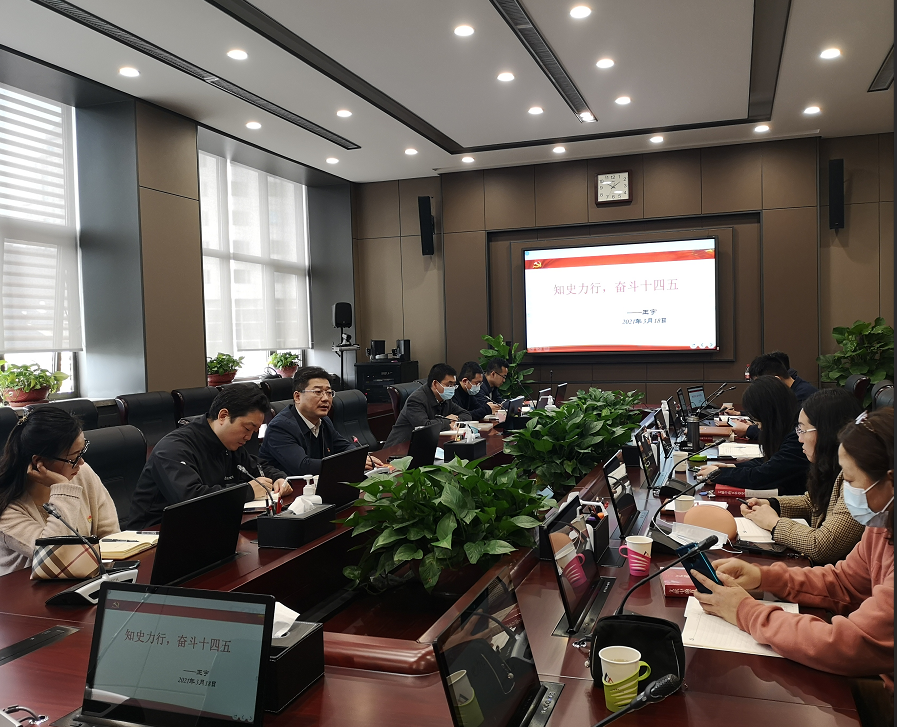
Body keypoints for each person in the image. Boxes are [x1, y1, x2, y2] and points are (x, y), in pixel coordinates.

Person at [693, 408, 894, 715]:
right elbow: (844, 582)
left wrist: (745, 611)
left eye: (852, 481)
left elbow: (850, 644)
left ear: (890, 483)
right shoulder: (882, 524)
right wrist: (764, 578)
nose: (846, 492)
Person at [128, 384, 291, 529]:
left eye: (254, 432)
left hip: (205, 525)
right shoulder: (173, 448)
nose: (249, 437)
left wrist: (279, 478)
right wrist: (247, 491)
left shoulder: (230, 443)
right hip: (155, 535)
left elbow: (258, 467)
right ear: (223, 416)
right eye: (247, 428)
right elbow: (190, 499)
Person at [739, 388, 864, 564]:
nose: (799, 439)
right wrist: (771, 504)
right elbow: (812, 502)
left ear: (827, 432)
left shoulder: (857, 477)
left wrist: (774, 523)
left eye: (803, 430)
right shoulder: (830, 466)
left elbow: (822, 546)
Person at [0, 407, 119, 576]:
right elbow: (55, 555)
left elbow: (111, 535)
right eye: (73, 458)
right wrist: (63, 489)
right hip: (28, 589)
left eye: (82, 452)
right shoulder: (7, 508)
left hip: (85, 578)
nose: (81, 463)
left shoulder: (81, 473)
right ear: (39, 462)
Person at [259, 366, 384, 475]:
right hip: (286, 490)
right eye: (318, 392)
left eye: (329, 393)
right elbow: (303, 466)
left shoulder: (324, 421)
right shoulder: (280, 427)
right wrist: (349, 463)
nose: (325, 398)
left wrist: (358, 458)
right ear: (297, 397)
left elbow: (343, 446)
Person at [698, 376, 809, 495]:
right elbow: (769, 462)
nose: (758, 426)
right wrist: (731, 467)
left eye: (757, 419)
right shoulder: (788, 426)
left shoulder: (798, 436)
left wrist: (719, 475)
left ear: (768, 412)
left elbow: (763, 476)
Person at [725, 352, 817, 439]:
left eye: (761, 385)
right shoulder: (787, 392)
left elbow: (785, 433)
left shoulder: (804, 397)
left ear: (776, 380)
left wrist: (748, 430)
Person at [383, 363, 471, 447]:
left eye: (454, 385)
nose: (452, 388)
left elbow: (466, 414)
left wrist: (455, 421)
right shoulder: (416, 400)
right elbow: (425, 427)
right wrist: (448, 421)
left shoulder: (445, 399)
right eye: (449, 385)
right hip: (400, 449)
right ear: (435, 384)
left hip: (427, 444)